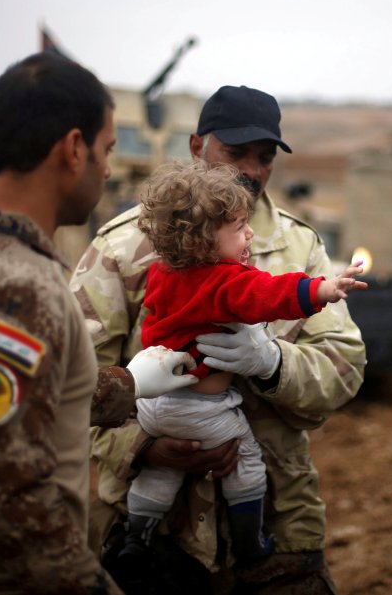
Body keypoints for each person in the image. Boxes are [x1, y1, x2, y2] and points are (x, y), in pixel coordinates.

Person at [0, 52, 198, 595]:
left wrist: (130, 384)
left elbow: (9, 409)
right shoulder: (20, 288)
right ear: (73, 148)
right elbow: (16, 503)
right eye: (105, 150)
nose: (108, 168)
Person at [70, 85, 366, 594]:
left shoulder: (300, 246)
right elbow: (72, 387)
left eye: (264, 157)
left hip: (277, 527)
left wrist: (273, 363)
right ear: (195, 146)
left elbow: (344, 367)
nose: (250, 169)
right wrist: (145, 445)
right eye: (234, 152)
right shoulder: (123, 248)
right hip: (155, 538)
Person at [117, 160, 367, 574]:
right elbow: (268, 293)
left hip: (154, 408)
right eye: (237, 228)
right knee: (247, 458)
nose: (249, 233)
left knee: (161, 473)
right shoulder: (223, 281)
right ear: (202, 242)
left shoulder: (162, 272)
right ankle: (251, 536)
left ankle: (136, 534)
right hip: (203, 411)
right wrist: (322, 288)